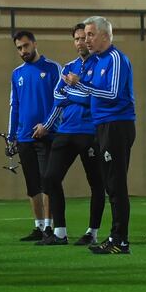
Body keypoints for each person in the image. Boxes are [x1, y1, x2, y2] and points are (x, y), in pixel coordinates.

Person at [64, 16, 135, 255]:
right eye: (85, 35)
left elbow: (113, 93)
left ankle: (121, 240)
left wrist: (80, 84)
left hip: (117, 125)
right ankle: (115, 237)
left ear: (105, 35)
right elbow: (93, 94)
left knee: (116, 184)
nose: (86, 39)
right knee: (110, 185)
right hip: (102, 125)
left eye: (91, 35)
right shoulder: (97, 61)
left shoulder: (116, 58)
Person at [40, 23, 105, 246]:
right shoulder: (68, 67)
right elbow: (57, 97)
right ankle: (60, 232)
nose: (81, 42)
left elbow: (93, 98)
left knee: (96, 182)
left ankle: (92, 232)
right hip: (65, 131)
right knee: (50, 178)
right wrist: (76, 94)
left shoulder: (101, 64)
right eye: (77, 39)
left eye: (84, 38)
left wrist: (73, 93)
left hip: (90, 132)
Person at [6, 30, 59, 242]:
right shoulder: (17, 73)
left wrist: (47, 125)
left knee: (48, 182)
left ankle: (49, 227)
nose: (23, 51)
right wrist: (11, 136)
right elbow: (14, 105)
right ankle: (38, 226)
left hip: (47, 135)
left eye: (26, 46)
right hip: (25, 137)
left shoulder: (53, 68)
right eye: (19, 48)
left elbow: (60, 102)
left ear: (35, 44)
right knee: (32, 185)